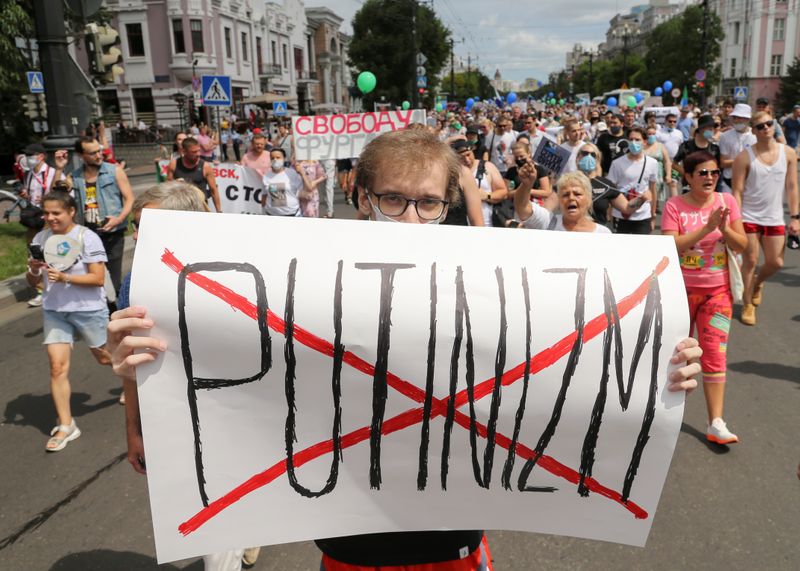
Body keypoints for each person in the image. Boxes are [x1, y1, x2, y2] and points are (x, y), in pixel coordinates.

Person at [107, 128, 702, 571]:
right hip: (349, 550)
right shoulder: (302, 280)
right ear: (360, 194)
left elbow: (576, 373)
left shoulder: (486, 283)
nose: (411, 218)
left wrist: (659, 373)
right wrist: (140, 372)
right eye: (393, 199)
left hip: (453, 547)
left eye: (428, 203)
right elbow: (200, 424)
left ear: (447, 206)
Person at [112, 181, 261, 571]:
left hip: (233, 419)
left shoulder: (240, 272)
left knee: (218, 520)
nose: (141, 237)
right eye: (137, 227)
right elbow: (133, 363)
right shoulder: (134, 282)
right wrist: (133, 429)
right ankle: (246, 529)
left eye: (153, 226)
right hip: (174, 420)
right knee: (201, 506)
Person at [661, 151, 748, 444]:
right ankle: (663, 417)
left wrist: (724, 228)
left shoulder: (727, 203)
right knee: (674, 356)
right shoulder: (674, 206)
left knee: (714, 355)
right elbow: (671, 245)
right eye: (702, 173)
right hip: (679, 294)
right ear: (687, 177)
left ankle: (716, 422)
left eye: (713, 173)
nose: (710, 178)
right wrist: (707, 228)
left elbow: (742, 244)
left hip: (717, 294)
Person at [26, 191, 111, 451]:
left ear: (71, 211)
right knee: (57, 367)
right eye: (47, 213)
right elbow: (34, 283)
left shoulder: (87, 237)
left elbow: (98, 278)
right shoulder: (41, 238)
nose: (50, 218)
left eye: (56, 213)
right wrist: (33, 270)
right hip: (54, 310)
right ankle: (66, 424)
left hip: (88, 309)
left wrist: (67, 278)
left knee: (106, 358)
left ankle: (135, 383)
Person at [731, 110, 800, 325]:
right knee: (750, 261)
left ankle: (758, 282)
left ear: (774, 125)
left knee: (776, 263)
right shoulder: (744, 157)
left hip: (775, 218)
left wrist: (796, 217)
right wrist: (737, 221)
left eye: (769, 124)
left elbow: (792, 186)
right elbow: (737, 192)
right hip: (750, 217)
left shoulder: (788, 153)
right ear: (754, 131)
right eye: (760, 126)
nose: (766, 128)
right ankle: (748, 303)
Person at [53, 136, 134, 295]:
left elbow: (130, 198)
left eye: (99, 151)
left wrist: (118, 219)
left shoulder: (114, 171)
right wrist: (59, 169)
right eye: (93, 153)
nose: (99, 155)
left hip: (112, 233)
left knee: (114, 280)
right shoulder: (75, 176)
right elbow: (57, 194)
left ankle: (117, 311)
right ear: (81, 155)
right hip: (87, 236)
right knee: (93, 279)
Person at [514, 169, 610, 233]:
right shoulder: (548, 222)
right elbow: (522, 208)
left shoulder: (603, 233)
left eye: (577, 194)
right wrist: (526, 185)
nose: (571, 198)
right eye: (565, 195)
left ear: (589, 199)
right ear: (559, 201)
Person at [574, 142, 641, 227]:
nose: (588, 157)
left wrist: (642, 199)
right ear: (577, 157)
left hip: (598, 233)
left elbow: (627, 209)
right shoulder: (567, 182)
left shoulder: (606, 184)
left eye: (593, 155)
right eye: (585, 153)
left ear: (597, 159)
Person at [607, 127, 657, 234]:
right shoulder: (617, 163)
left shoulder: (652, 163)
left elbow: (653, 190)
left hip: (643, 216)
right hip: (620, 215)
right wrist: (609, 213)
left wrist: (653, 215)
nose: (633, 142)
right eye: (631, 139)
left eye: (637, 140)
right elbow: (611, 190)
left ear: (644, 142)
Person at [452, 138, 507, 227]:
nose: (467, 160)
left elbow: (503, 192)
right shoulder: (454, 173)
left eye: (468, 155)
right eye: (461, 158)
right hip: (462, 225)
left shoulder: (487, 166)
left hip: (487, 223)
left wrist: (487, 196)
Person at [167, 137, 221, 212]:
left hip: (200, 207)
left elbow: (213, 190)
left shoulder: (206, 167)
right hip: (180, 207)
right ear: (184, 151)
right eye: (194, 152)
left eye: (199, 151)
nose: (198, 154)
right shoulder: (173, 164)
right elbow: (168, 187)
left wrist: (219, 211)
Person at [673, 115, 721, 185]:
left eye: (712, 129)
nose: (710, 131)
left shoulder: (714, 149)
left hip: (708, 185)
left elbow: (718, 167)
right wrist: (688, 175)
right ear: (700, 129)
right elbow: (674, 164)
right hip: (689, 186)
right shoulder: (686, 146)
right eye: (708, 129)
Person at [719, 103, 756, 193]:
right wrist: (742, 160)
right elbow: (723, 163)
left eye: (740, 118)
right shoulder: (725, 136)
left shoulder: (755, 136)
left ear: (748, 119)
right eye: (735, 117)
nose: (737, 120)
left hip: (750, 183)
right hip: (729, 183)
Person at [643, 123, 673, 228]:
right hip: (644, 177)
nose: (651, 135)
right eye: (649, 134)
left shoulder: (661, 146)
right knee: (645, 198)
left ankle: (653, 217)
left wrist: (668, 174)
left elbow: (667, 161)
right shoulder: (642, 146)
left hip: (657, 177)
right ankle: (645, 218)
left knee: (654, 198)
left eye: (653, 133)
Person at [262, 148, 303, 216]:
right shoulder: (266, 176)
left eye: (278, 157)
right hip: (271, 215)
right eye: (272, 158)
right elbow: (264, 196)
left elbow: (303, 192)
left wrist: (302, 173)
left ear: (284, 158)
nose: (275, 160)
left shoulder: (292, 173)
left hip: (292, 215)